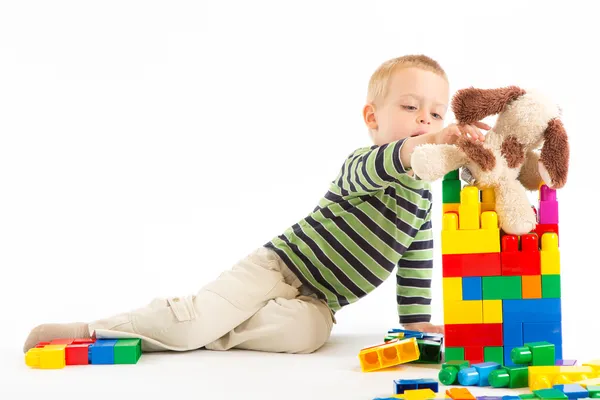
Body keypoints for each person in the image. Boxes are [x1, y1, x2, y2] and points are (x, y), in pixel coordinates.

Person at [23, 54, 490, 355]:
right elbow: (391, 161)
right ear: (372, 117)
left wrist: (414, 323)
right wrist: (425, 144)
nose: (426, 121)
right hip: (277, 267)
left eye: (436, 113)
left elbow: (415, 262)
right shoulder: (365, 162)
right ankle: (94, 328)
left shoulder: (423, 202)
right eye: (411, 108)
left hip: (320, 302)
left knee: (307, 339)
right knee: (195, 322)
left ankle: (211, 330)